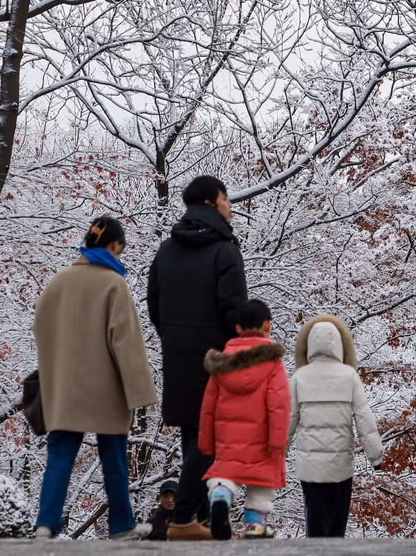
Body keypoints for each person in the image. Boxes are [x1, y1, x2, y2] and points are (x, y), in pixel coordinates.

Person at [32, 216, 158, 540]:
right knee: (114, 457)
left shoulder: (59, 281)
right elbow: (126, 342)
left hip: (65, 387)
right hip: (105, 389)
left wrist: (54, 369)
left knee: (59, 456)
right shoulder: (113, 284)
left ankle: (45, 524)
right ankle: (121, 525)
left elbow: (40, 327)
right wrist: (140, 393)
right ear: (115, 246)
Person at [147, 175, 248, 540]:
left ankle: (202, 519)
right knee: (214, 438)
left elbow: (153, 304)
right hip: (217, 357)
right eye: (226, 198)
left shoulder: (165, 250)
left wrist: (174, 337)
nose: (230, 205)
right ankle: (186, 515)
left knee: (194, 434)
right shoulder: (224, 250)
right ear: (210, 202)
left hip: (177, 353)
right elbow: (235, 310)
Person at [200, 299, 290, 539]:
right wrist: (278, 442)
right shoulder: (272, 363)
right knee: (261, 482)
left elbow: (208, 406)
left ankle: (220, 496)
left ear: (238, 328)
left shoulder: (221, 364)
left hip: (228, 438)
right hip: (262, 439)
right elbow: (279, 405)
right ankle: (254, 525)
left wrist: (206, 444)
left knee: (226, 473)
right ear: (268, 325)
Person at [289, 313, 385, 537]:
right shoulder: (349, 376)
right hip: (340, 464)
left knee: (315, 520)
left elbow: (289, 420)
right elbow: (364, 419)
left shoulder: (299, 377)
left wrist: (276, 454)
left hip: (310, 467)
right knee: (336, 524)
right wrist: (376, 457)